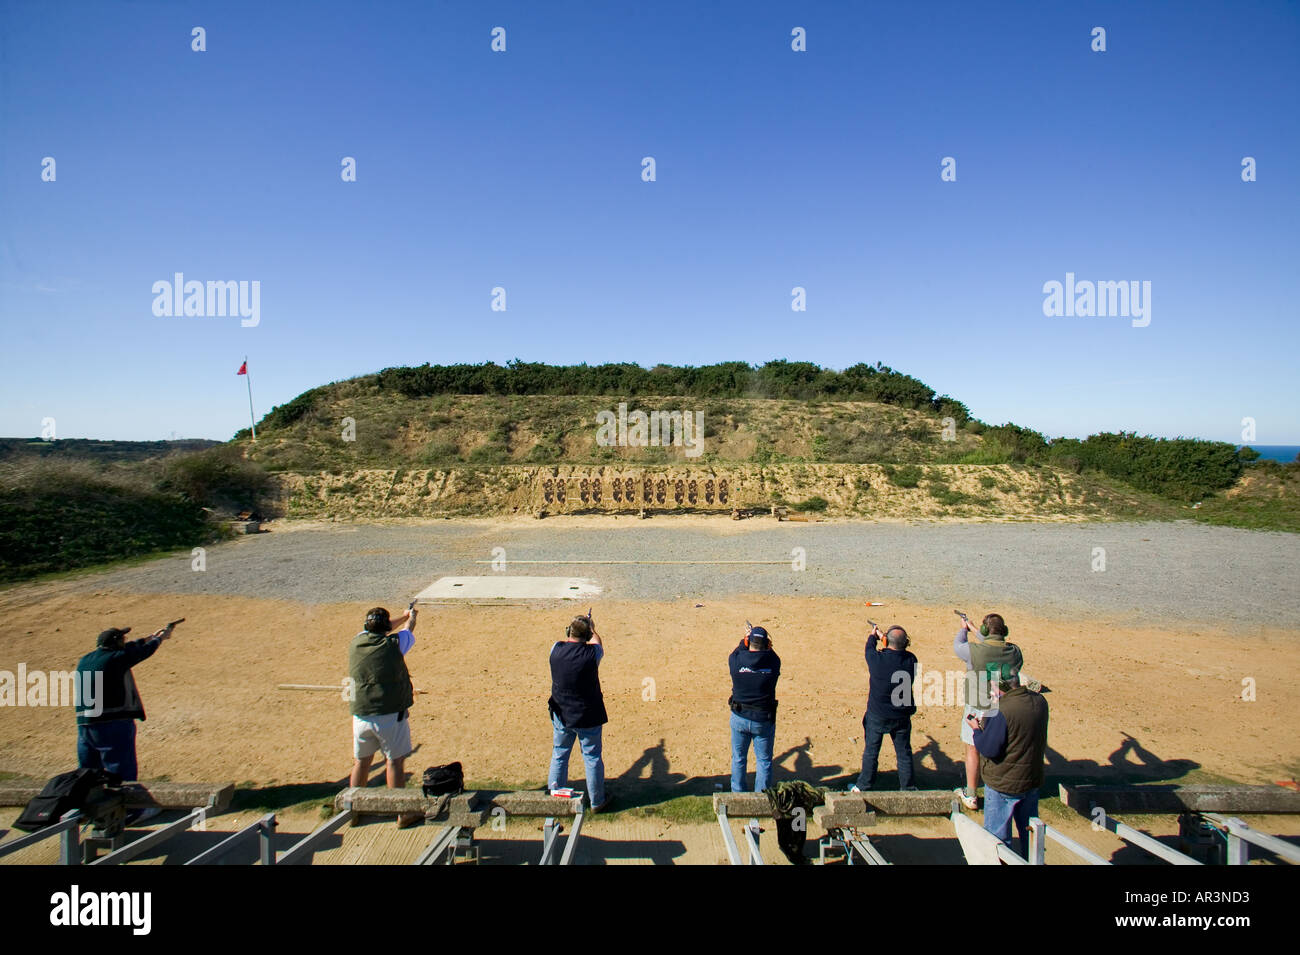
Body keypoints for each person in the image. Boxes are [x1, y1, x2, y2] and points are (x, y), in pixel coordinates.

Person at [75, 622, 180, 785]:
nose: (125, 641)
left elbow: (129, 648)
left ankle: (90, 806)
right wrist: (160, 639)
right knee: (121, 771)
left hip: (85, 726)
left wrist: (152, 636)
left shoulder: (85, 660)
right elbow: (142, 652)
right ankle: (133, 810)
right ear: (117, 643)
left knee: (88, 774)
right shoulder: (116, 659)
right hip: (112, 724)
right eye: (123, 639)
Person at [348, 604, 420, 824]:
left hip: (361, 715)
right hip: (389, 715)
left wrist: (402, 615)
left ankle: (353, 810)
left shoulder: (357, 641)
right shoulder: (395, 645)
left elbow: (385, 627)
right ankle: (402, 812)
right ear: (386, 627)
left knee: (361, 762)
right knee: (394, 762)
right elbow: (409, 629)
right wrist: (411, 617)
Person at [966, 670, 1048, 859]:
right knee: (1030, 835)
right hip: (1030, 780)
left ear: (1001, 687)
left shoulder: (1002, 711)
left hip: (1003, 783)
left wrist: (977, 730)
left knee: (997, 840)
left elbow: (989, 749)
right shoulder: (1040, 702)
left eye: (993, 685)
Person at [953, 612, 1023, 810]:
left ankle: (971, 794)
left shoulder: (975, 652)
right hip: (1004, 705)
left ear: (985, 630)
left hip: (977, 705)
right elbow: (994, 646)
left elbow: (958, 645)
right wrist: (975, 628)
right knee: (1002, 745)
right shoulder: (1014, 652)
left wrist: (963, 629)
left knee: (972, 747)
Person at [547, 612, 609, 811]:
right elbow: (598, 643)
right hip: (587, 715)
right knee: (592, 758)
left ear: (569, 632)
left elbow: (569, 641)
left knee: (560, 754)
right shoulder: (592, 654)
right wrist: (592, 628)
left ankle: (555, 793)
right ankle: (597, 801)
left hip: (562, 714)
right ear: (588, 635)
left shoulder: (555, 649)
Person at [850, 623, 917, 791]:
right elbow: (895, 653)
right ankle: (908, 787)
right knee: (904, 753)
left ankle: (864, 785)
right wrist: (885, 639)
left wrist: (874, 636)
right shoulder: (911, 660)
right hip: (901, 714)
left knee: (871, 751)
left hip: (878, 713)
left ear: (887, 641)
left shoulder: (877, 659)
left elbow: (869, 648)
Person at [728, 623, 781, 792]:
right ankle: (762, 796)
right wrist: (767, 647)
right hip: (762, 720)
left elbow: (736, 653)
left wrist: (744, 641)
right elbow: (773, 657)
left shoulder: (737, 662)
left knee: (738, 759)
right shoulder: (773, 664)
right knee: (764, 761)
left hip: (740, 716)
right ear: (767, 646)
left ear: (748, 643)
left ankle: (737, 794)